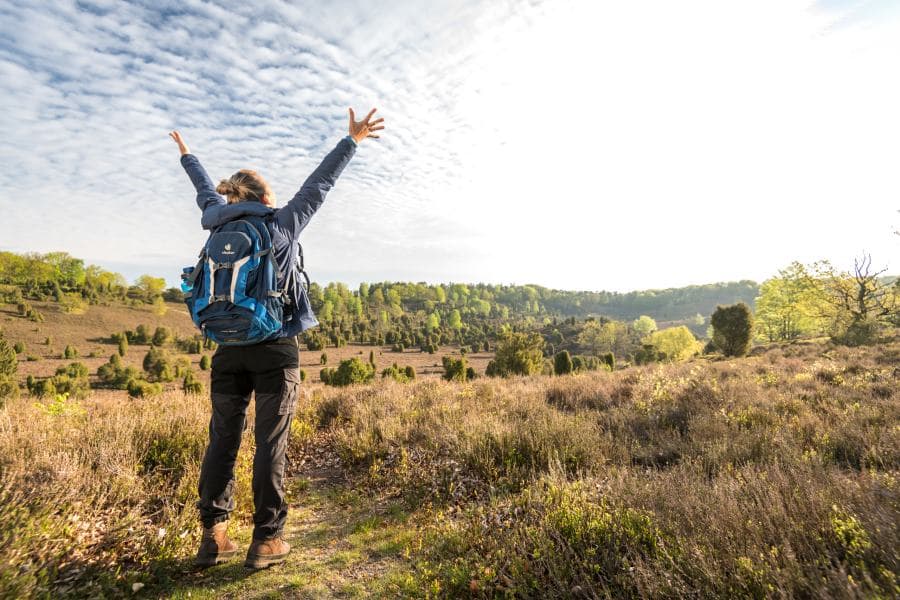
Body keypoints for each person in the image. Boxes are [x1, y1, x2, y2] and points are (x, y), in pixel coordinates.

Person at [168, 108, 384, 569]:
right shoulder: (281, 222)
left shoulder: (217, 221)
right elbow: (318, 186)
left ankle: (213, 536)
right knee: (271, 442)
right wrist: (352, 141)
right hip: (275, 347)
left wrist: (188, 157)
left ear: (232, 196)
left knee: (222, 440)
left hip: (228, 348)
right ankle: (266, 540)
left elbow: (204, 193)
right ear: (265, 195)